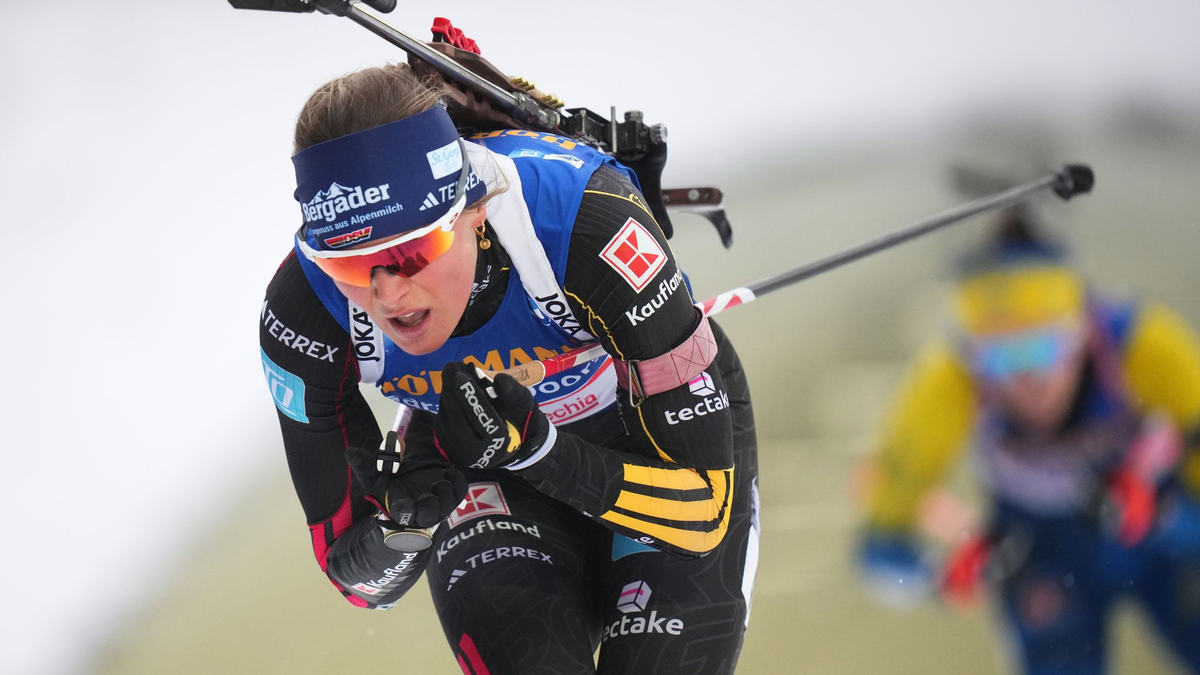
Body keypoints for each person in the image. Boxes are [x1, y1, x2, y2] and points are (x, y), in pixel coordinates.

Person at [257, 63, 760, 675]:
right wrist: (403, 524)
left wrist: (539, 451)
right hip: (482, 472)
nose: (388, 295)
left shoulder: (585, 222)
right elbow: (360, 584)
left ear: (475, 208)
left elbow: (703, 512)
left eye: (412, 252)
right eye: (351, 265)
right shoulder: (304, 309)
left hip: (643, 445)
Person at [854, 207, 1200, 674]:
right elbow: (876, 552)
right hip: (1039, 559)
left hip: (1160, 546)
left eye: (1043, 347)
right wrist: (942, 576)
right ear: (972, 356)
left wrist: (1164, 515)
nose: (1028, 379)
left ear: (1083, 330)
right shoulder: (945, 382)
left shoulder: (1147, 345)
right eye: (1000, 358)